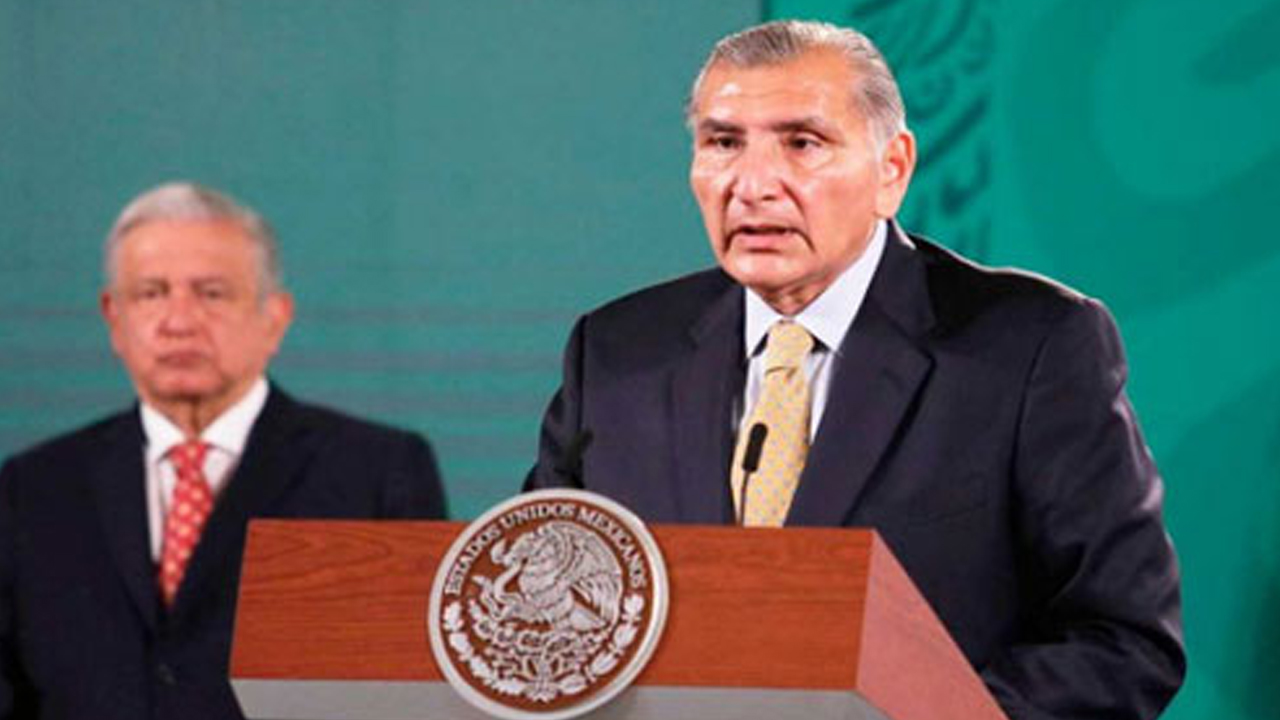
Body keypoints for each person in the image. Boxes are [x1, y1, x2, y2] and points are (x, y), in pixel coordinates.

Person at [526, 20, 1184, 720]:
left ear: (891, 170)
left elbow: (1123, 640)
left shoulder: (1031, 348)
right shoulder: (617, 353)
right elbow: (526, 621)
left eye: (802, 143)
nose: (753, 185)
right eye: (723, 143)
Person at [0, 182, 447, 719]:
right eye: (151, 293)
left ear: (275, 317)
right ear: (113, 318)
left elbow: (413, 703)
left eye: (211, 293)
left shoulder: (378, 472)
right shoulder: (33, 488)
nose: (179, 322)